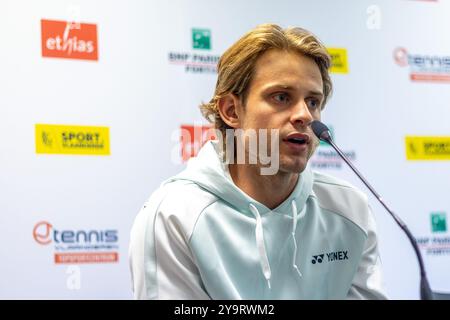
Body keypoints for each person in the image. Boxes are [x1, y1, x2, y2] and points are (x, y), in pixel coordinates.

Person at [129, 23, 388, 299]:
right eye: (281, 97)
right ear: (231, 111)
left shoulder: (350, 209)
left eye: (313, 102)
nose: (304, 115)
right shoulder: (173, 215)